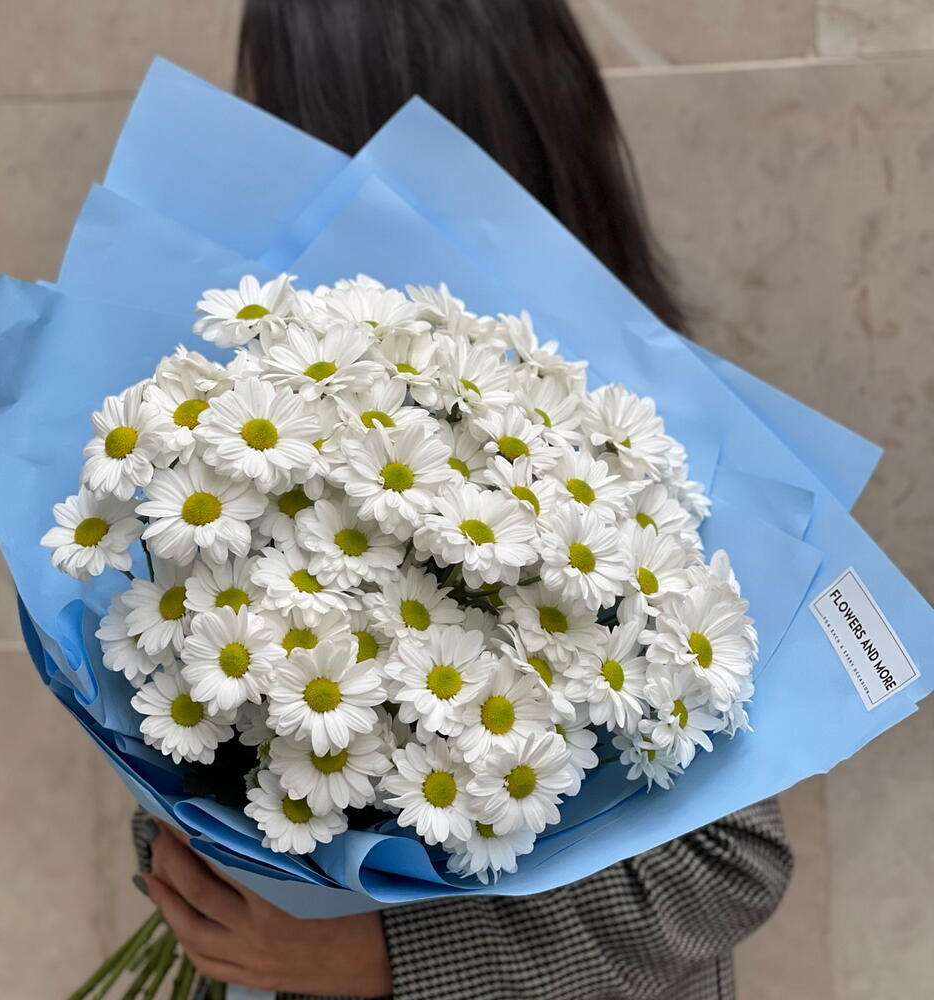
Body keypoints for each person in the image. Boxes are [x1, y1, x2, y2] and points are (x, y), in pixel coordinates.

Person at [133, 2, 793, 997]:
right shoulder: (278, 410)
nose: (251, 144)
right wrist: (191, 831)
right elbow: (184, 719)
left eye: (271, 111)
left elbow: (727, 861)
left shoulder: (644, 451)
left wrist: (391, 959)